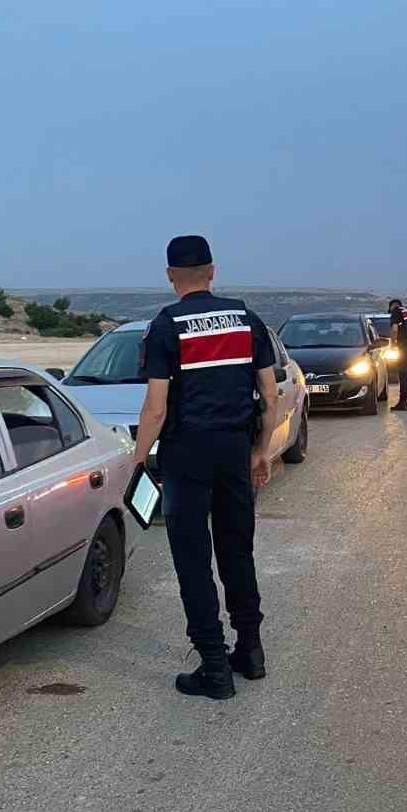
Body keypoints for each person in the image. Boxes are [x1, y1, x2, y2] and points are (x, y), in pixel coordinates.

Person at [130, 235, 280, 700]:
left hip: (187, 455)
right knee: (238, 552)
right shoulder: (245, 319)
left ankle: (214, 668)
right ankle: (250, 652)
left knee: (193, 561)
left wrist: (137, 461)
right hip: (235, 450)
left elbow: (155, 409)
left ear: (171, 276)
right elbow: (270, 396)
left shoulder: (165, 326)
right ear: (212, 271)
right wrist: (261, 452)